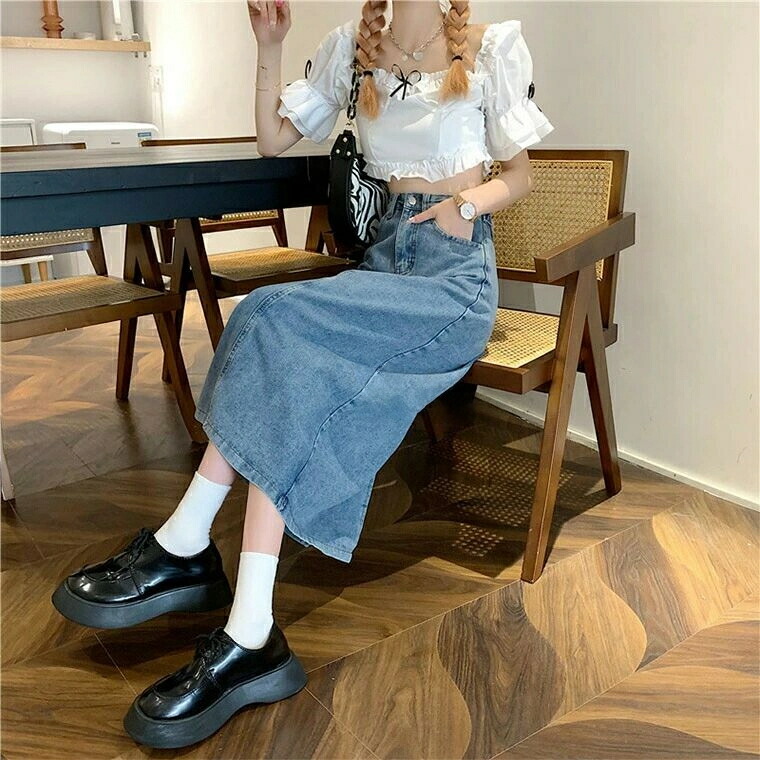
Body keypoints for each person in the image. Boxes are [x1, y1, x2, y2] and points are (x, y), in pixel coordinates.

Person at [51, 0, 554, 748]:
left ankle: (190, 550)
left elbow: (520, 173)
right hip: (384, 266)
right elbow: (270, 141)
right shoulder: (355, 45)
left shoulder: (490, 47)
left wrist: (467, 201)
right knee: (272, 335)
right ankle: (247, 625)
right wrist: (270, 45)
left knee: (271, 318)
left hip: (452, 285)